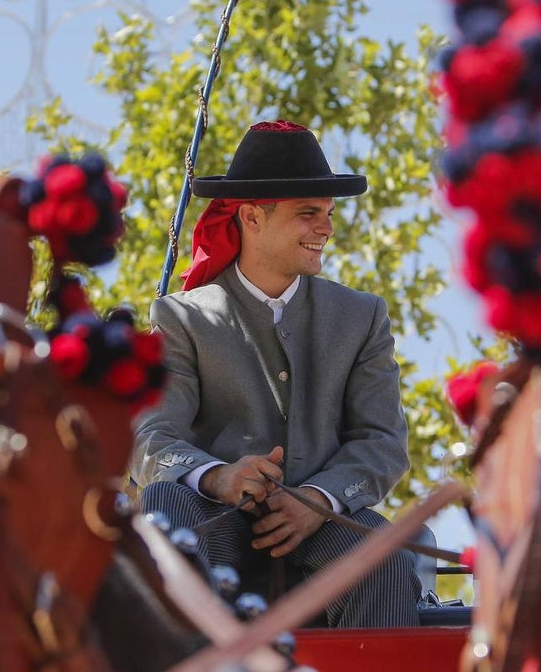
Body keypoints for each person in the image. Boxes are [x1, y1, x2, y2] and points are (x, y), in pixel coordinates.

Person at [131, 119, 420, 628]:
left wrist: (319, 499)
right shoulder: (181, 317)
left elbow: (382, 442)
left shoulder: (362, 316)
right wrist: (218, 477)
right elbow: (150, 434)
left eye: (328, 215)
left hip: (327, 526)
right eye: (309, 214)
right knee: (162, 507)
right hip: (213, 517)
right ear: (251, 217)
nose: (326, 229)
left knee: (386, 557)